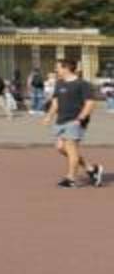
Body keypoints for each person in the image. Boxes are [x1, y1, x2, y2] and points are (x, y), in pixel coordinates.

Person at [42, 58, 103, 188]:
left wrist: (80, 119)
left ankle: (71, 179)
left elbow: (90, 103)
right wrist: (49, 116)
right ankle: (91, 169)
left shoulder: (83, 84)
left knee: (71, 148)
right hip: (61, 121)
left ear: (66, 68)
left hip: (75, 121)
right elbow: (55, 102)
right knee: (60, 147)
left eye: (57, 67)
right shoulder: (59, 83)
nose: (56, 70)